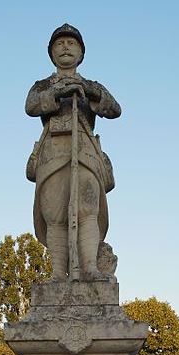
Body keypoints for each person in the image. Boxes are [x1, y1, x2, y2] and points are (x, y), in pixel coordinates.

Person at [25, 24, 121, 281]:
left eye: (71, 43)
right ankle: (57, 272)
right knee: (54, 213)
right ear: (51, 53)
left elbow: (114, 109)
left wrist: (89, 91)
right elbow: (31, 106)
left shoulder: (91, 85)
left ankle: (90, 268)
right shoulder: (42, 84)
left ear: (80, 52)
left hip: (85, 152)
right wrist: (58, 92)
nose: (65, 47)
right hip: (53, 154)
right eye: (59, 43)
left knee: (87, 211)